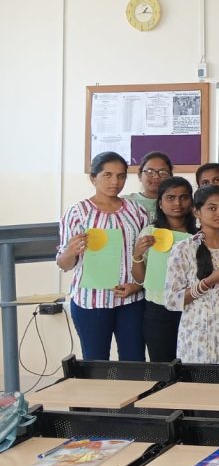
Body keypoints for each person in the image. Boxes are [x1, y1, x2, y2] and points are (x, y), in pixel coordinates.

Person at [56, 152, 149, 361]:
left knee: (134, 361)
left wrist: (137, 286)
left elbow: (147, 257)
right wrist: (70, 251)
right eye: (107, 175)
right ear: (93, 178)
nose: (115, 182)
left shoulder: (137, 211)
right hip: (91, 301)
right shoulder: (78, 212)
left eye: (121, 176)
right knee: (96, 362)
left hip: (131, 300)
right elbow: (64, 264)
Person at [165, 185, 219, 364]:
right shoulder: (183, 249)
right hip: (197, 330)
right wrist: (210, 281)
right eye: (212, 208)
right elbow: (172, 300)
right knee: (199, 380)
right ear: (196, 212)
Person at [130, 176, 198, 361]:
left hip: (193, 307)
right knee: (162, 365)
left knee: (192, 364)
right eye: (170, 198)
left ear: (191, 201)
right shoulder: (150, 233)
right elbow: (140, 279)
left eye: (184, 197)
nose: (177, 203)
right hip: (158, 309)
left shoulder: (200, 233)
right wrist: (137, 254)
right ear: (160, 203)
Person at [126, 151, 173, 222]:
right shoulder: (126, 202)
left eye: (163, 172)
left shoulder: (177, 203)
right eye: (150, 172)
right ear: (140, 175)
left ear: (171, 177)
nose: (156, 177)